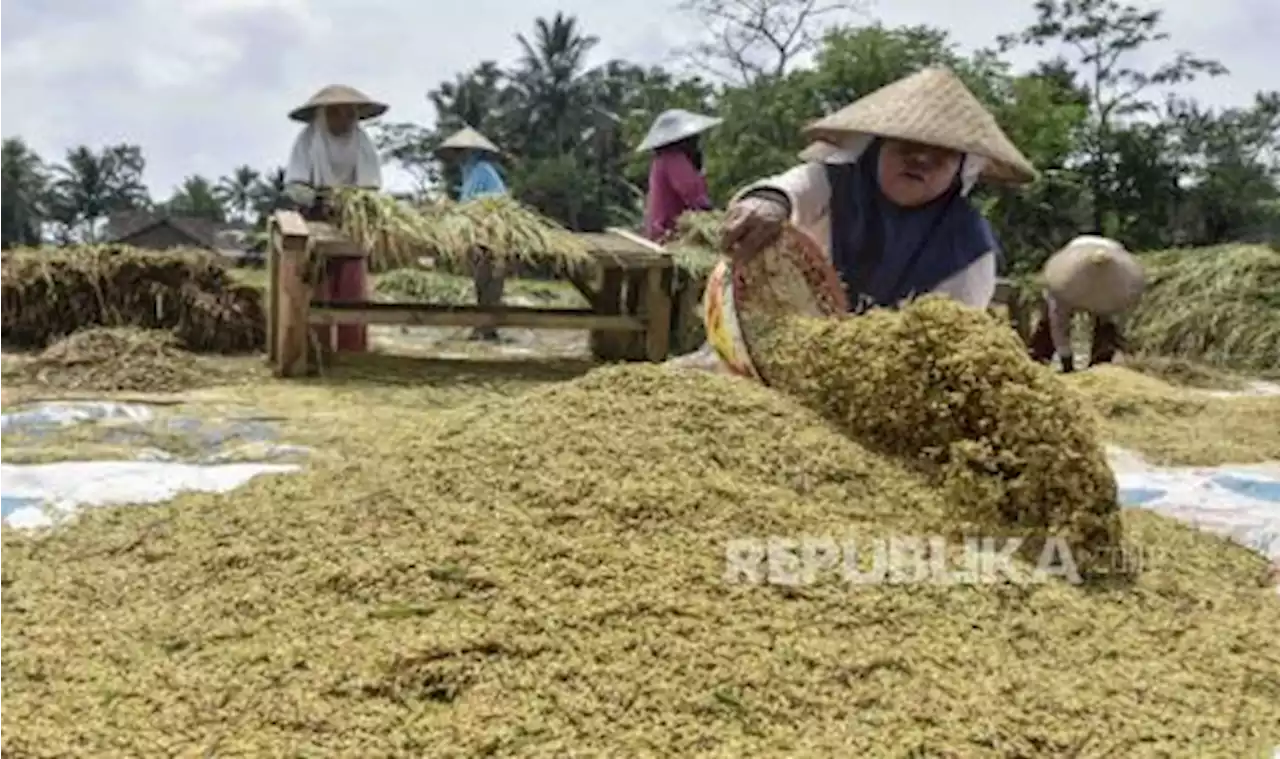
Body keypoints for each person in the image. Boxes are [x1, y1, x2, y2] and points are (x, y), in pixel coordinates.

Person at [720, 67, 1037, 316]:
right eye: (906, 147)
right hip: (796, 330)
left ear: (960, 171)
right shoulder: (837, 183)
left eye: (941, 155)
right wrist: (768, 204)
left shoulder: (968, 246)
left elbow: (952, 339)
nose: (920, 161)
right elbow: (789, 190)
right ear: (877, 149)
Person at [284, 84, 386, 354]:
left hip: (351, 220)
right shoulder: (307, 140)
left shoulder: (362, 143)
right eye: (336, 113)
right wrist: (319, 198)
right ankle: (316, 350)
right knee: (315, 285)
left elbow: (371, 185)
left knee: (351, 287)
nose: (343, 119)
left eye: (349, 114)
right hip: (314, 218)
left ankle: (352, 352)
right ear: (324, 114)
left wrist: (351, 201)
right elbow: (295, 185)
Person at [1028, 236, 1145, 372]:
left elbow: (1120, 315)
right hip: (1075, 254)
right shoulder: (1063, 285)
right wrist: (1066, 360)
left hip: (1112, 258)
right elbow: (1058, 324)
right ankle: (1039, 360)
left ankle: (1101, 364)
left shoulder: (1115, 283)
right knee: (1048, 325)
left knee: (1106, 328)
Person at [436, 126, 508, 342]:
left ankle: (487, 327)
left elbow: (474, 204)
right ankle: (484, 325)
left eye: (463, 153)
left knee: (490, 278)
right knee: (481, 279)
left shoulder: (481, 170)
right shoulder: (469, 172)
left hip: (492, 229)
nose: (460, 158)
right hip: (479, 230)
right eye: (459, 153)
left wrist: (452, 211)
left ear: (472, 152)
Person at [636, 109, 722, 242]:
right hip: (668, 234)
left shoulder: (661, 160)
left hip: (663, 231)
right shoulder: (674, 158)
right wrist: (715, 217)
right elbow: (692, 193)